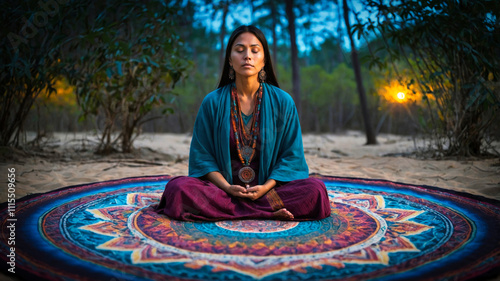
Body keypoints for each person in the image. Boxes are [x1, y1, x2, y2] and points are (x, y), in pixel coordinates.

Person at [155, 25, 331, 221]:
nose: (247, 56)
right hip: (224, 190)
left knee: (316, 190)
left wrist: (265, 187)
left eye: (255, 50)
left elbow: (291, 156)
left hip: (268, 190)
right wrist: (228, 187)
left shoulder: (283, 102)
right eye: (240, 50)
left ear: (264, 60)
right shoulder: (212, 102)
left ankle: (238, 211)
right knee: (177, 189)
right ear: (230, 59)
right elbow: (202, 156)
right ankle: (266, 213)